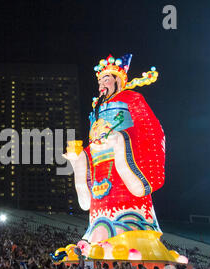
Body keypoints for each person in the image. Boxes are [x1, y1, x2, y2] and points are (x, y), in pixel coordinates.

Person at [63, 54, 165, 246]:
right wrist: (80, 157)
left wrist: (120, 139)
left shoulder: (132, 98)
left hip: (123, 162)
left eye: (106, 79)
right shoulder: (97, 108)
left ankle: (132, 232)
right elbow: (92, 143)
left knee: (128, 211)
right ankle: (95, 234)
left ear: (118, 80)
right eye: (100, 80)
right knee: (96, 205)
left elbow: (149, 129)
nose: (102, 84)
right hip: (100, 169)